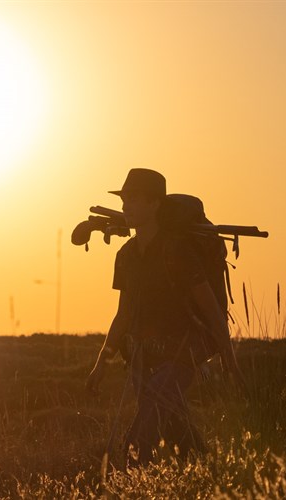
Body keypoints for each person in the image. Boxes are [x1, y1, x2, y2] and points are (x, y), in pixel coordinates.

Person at [85, 168, 244, 464]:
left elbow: (211, 310)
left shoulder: (178, 252)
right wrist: (100, 365)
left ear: (155, 204)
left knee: (142, 432)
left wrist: (229, 360)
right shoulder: (127, 255)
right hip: (142, 354)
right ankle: (207, 471)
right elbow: (124, 315)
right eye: (124, 199)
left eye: (134, 199)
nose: (125, 206)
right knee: (174, 425)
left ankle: (130, 482)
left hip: (183, 351)